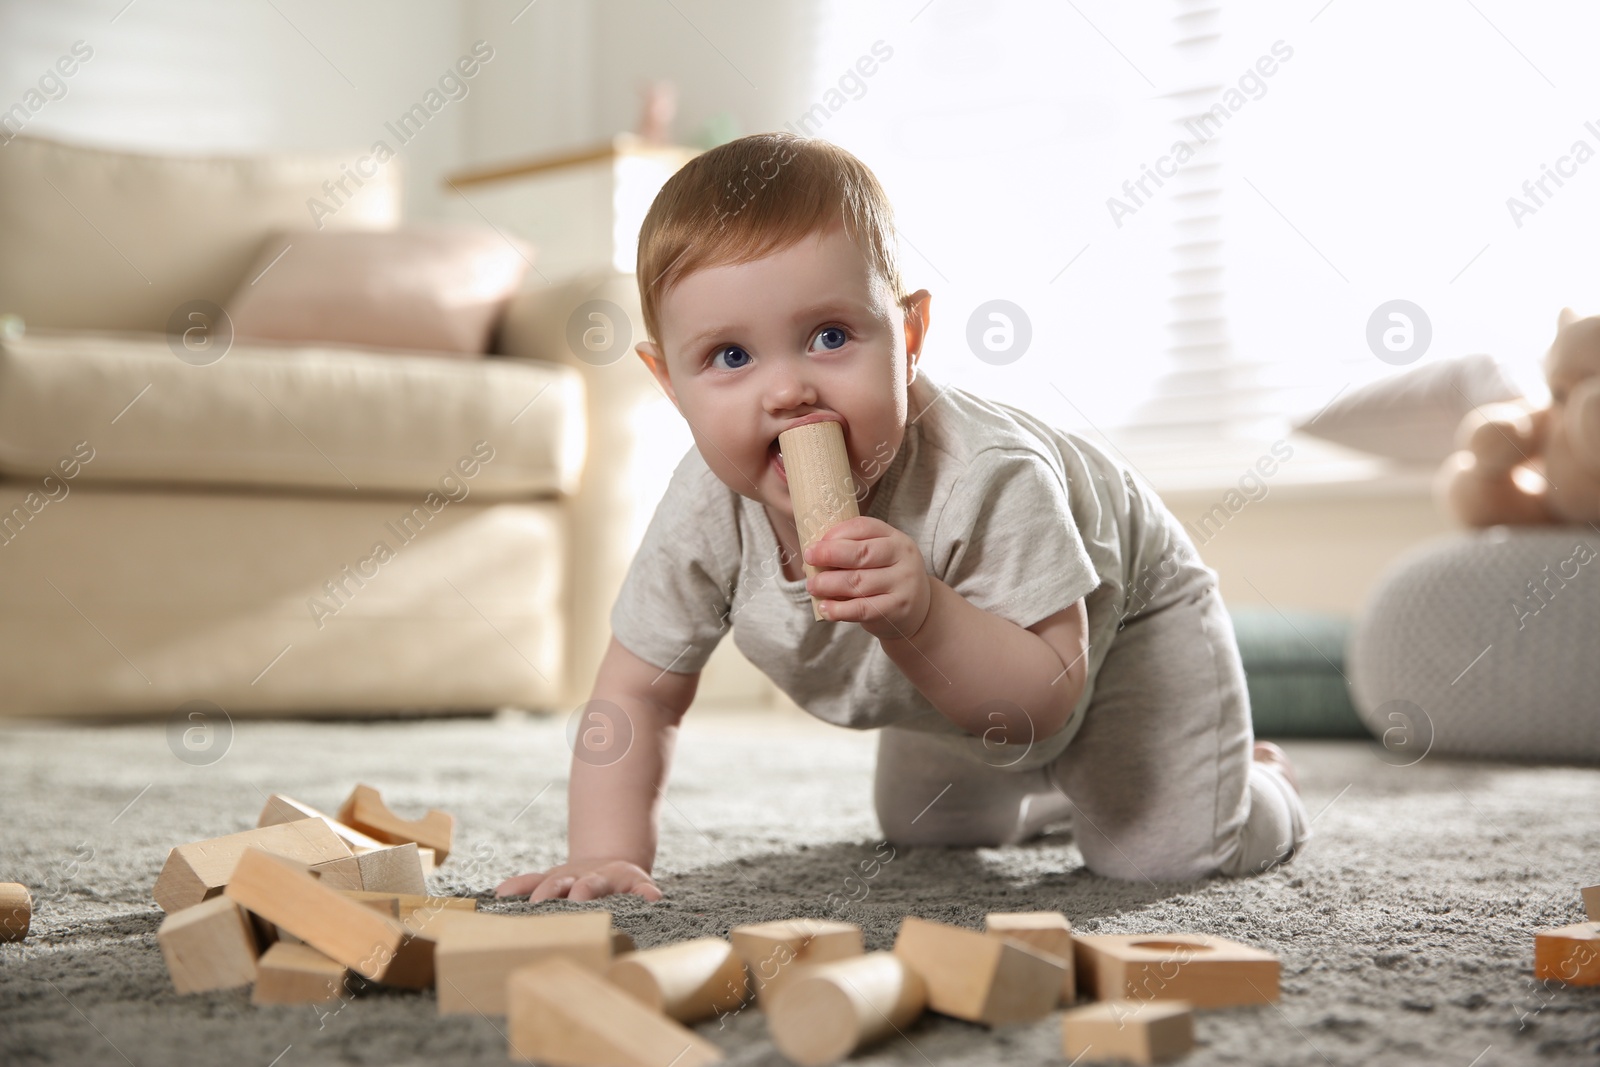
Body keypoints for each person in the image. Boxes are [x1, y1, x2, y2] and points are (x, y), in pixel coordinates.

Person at [495, 132, 1309, 903]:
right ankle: (1089, 787)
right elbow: (637, 692)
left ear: (910, 335)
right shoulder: (705, 507)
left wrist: (920, 615)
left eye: (829, 335)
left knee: (1160, 854)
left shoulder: (988, 477)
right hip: (955, 678)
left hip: (1122, 623)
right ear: (670, 383)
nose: (787, 391)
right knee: (930, 831)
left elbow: (1042, 700)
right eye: (731, 357)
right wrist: (606, 851)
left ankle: (1250, 784)